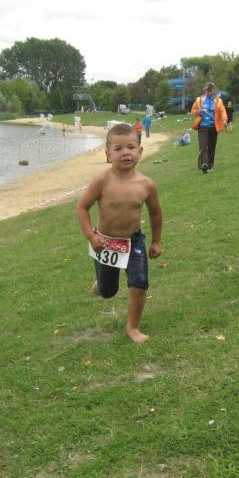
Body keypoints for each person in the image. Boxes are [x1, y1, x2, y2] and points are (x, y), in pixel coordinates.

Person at [76, 123, 163, 343]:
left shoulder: (147, 184)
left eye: (131, 147)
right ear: (108, 154)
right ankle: (101, 283)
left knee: (139, 284)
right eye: (118, 149)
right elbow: (82, 208)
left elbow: (155, 214)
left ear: (140, 152)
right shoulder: (102, 181)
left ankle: (133, 327)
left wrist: (156, 242)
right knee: (108, 291)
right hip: (105, 243)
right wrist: (91, 236)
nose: (125, 153)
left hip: (134, 242)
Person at [190, 82, 228, 173]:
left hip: (214, 127)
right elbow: (193, 110)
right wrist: (197, 112)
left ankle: (210, 165)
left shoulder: (218, 101)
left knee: (212, 147)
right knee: (203, 146)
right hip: (202, 127)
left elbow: (222, 111)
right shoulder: (199, 100)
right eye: (208, 90)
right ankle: (204, 164)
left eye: (211, 91)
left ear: (214, 90)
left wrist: (224, 119)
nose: (210, 93)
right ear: (205, 90)